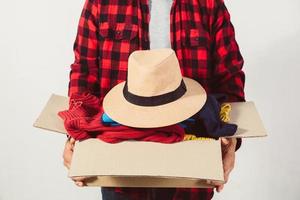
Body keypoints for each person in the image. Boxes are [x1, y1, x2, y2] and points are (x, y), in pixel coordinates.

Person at [62, 0, 245, 199]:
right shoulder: (101, 3)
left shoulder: (208, 4)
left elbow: (229, 78)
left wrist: (231, 144)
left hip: (192, 159)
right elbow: (84, 74)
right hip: (119, 160)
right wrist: (75, 134)